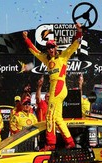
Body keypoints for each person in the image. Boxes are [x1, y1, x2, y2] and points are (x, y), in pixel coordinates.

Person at [23, 22, 83, 150]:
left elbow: (74, 45)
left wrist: (79, 31)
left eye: (52, 47)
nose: (50, 49)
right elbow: (35, 51)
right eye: (48, 47)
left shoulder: (63, 57)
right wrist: (26, 39)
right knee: (57, 117)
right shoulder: (47, 60)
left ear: (56, 48)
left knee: (49, 115)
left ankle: (50, 144)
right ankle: (70, 141)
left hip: (59, 87)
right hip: (54, 88)